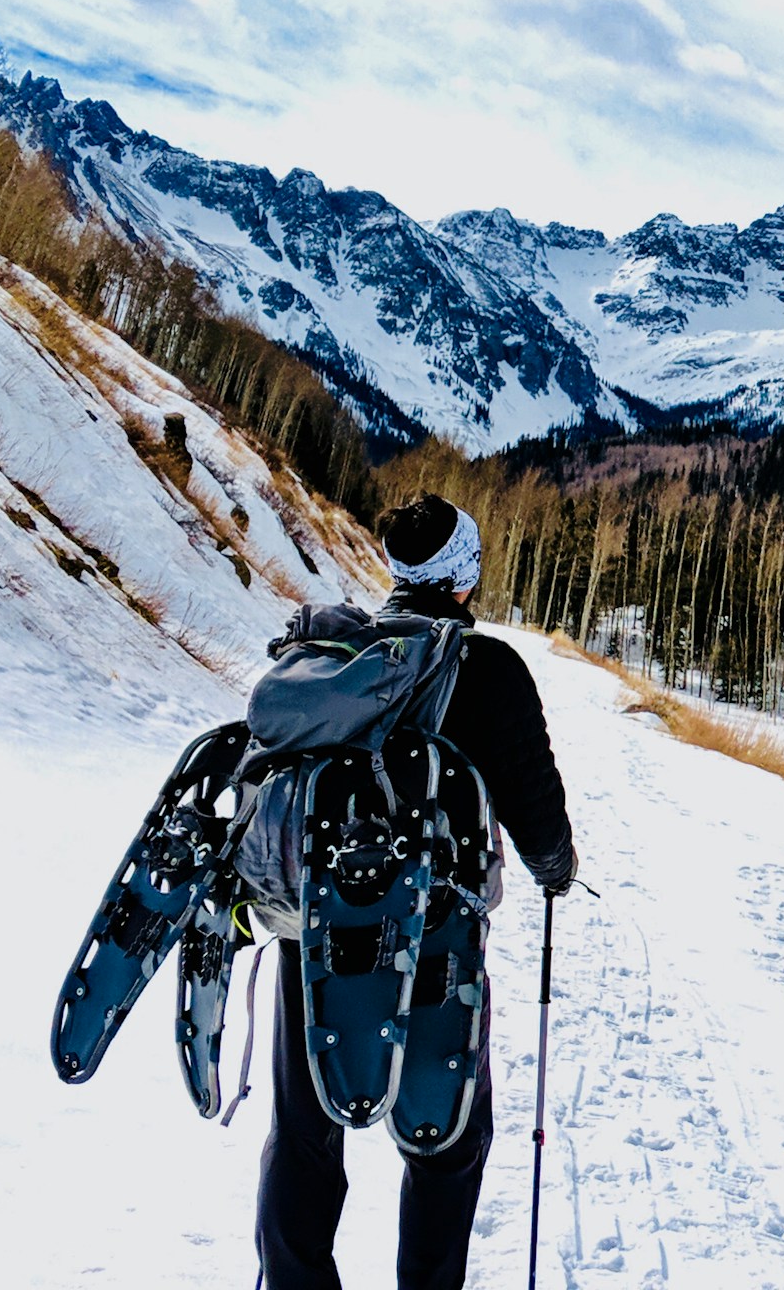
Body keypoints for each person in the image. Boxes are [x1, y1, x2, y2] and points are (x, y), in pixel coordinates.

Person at [256, 493, 577, 1290]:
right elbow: (535, 805)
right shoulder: (490, 669)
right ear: (464, 574)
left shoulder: (345, 664)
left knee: (303, 1131)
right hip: (436, 943)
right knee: (448, 1137)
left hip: (317, 931)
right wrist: (556, 870)